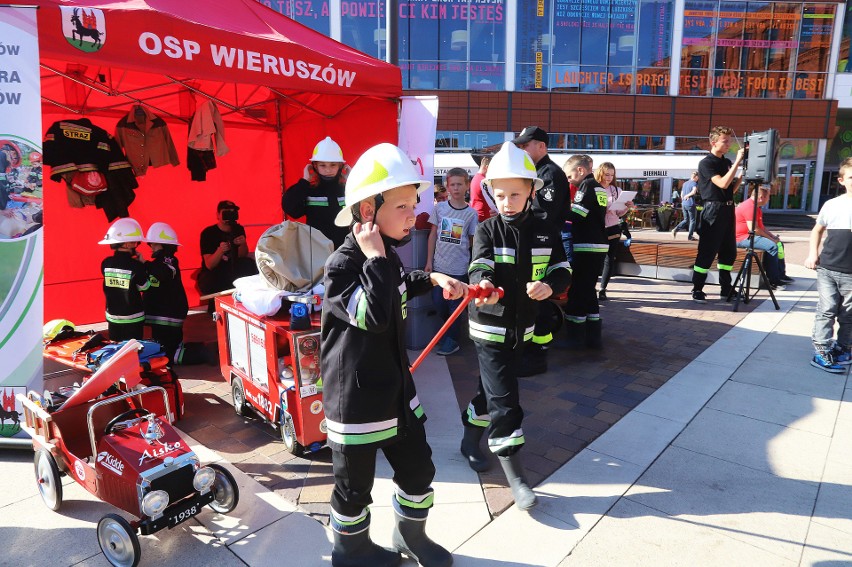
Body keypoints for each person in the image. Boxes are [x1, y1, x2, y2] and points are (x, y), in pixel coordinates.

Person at [322, 143, 465, 567]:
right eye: (401, 205)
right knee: (354, 488)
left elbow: (399, 282)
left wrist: (430, 276)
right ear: (367, 210)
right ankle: (350, 550)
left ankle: (409, 537)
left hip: (397, 393)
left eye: (414, 202)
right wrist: (377, 260)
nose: (413, 213)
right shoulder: (343, 265)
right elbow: (374, 316)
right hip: (357, 403)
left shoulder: (386, 256)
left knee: (419, 470)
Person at [462, 141, 571, 509]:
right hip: (489, 329)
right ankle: (516, 477)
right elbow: (479, 266)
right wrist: (486, 285)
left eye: (514, 194)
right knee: (506, 400)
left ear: (531, 191)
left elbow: (561, 268)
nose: (506, 201)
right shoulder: (487, 230)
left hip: (521, 329)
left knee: (489, 391)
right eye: (500, 194)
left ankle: (467, 441)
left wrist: (550, 286)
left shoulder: (546, 229)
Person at [512, 126, 571, 373]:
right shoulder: (537, 171)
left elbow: (542, 214)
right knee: (535, 294)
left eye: (526, 145)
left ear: (541, 146)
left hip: (544, 243)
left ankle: (538, 348)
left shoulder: (549, 173)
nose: (522, 149)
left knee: (541, 294)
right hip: (537, 242)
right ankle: (535, 346)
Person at [804, 157, 852, 373]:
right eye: (851, 177)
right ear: (842, 180)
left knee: (848, 313)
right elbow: (817, 230)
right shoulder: (832, 205)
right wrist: (812, 254)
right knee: (827, 309)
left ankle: (843, 347)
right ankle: (821, 350)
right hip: (828, 269)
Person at [425, 167, 478, 356]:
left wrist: (472, 267)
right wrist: (429, 261)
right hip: (439, 268)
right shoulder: (439, 208)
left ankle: (452, 339)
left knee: (454, 306)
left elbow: (472, 242)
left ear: (466, 186)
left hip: (459, 268)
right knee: (438, 302)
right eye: (452, 184)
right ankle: (452, 331)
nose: (455, 188)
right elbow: (432, 235)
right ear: (447, 186)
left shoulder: (471, 214)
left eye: (459, 184)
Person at [691, 126, 745, 303]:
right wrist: (737, 163)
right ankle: (697, 289)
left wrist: (742, 175)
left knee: (729, 252)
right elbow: (721, 183)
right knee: (707, 251)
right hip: (713, 210)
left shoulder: (726, 162)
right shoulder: (706, 163)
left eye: (729, 140)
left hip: (728, 209)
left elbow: (730, 188)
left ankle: (726, 288)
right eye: (725, 141)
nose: (729, 144)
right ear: (714, 142)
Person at [563, 154, 608, 348]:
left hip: (586, 245)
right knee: (589, 290)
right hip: (597, 244)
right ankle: (593, 337)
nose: (569, 180)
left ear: (580, 170)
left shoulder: (586, 186)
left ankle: (575, 338)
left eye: (569, 176)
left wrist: (558, 210)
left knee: (579, 290)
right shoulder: (600, 188)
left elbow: (578, 215)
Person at [282, 136, 349, 249]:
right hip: (316, 251)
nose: (328, 170)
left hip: (345, 250)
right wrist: (304, 181)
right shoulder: (309, 190)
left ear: (340, 166)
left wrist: (352, 181)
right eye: (322, 165)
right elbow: (291, 209)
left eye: (333, 165)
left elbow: (364, 213)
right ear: (315, 166)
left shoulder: (347, 190)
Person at [143, 222, 189, 364]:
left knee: (168, 353)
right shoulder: (158, 261)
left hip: (168, 316)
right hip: (161, 317)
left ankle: (201, 354)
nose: (150, 247)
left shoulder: (168, 260)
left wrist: (145, 264)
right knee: (162, 347)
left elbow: (163, 273)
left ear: (161, 244)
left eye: (152, 244)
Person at [98, 217, 150, 341]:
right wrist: (143, 266)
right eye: (135, 242)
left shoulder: (106, 263)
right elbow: (145, 287)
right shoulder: (136, 265)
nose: (136, 246)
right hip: (133, 318)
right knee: (133, 351)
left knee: (116, 350)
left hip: (113, 317)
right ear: (127, 244)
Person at [734, 183, 794, 290]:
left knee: (779, 244)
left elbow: (761, 227)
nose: (769, 200)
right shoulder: (750, 207)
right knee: (772, 246)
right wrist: (771, 240)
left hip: (747, 236)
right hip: (741, 238)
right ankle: (773, 281)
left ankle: (780, 274)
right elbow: (754, 229)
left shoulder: (756, 208)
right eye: (768, 197)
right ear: (761, 197)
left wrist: (773, 237)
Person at [197, 200, 258, 298]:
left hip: (234, 270)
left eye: (232, 212)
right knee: (210, 280)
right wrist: (220, 251)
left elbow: (242, 255)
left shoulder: (238, 229)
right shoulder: (208, 233)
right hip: (216, 273)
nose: (230, 214)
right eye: (226, 212)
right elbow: (209, 265)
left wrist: (243, 244)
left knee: (250, 265)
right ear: (218, 215)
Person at [596, 162, 632, 301]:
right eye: (607, 174)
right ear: (600, 173)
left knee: (609, 259)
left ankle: (603, 289)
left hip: (613, 227)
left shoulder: (616, 190)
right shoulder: (595, 188)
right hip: (598, 228)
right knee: (596, 259)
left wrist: (627, 207)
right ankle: (590, 286)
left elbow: (619, 213)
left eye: (612, 174)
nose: (609, 177)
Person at [672, 171, 699, 240]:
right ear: (696, 177)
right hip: (690, 204)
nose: (698, 179)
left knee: (686, 220)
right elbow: (694, 191)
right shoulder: (694, 183)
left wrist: (683, 199)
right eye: (698, 177)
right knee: (692, 220)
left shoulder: (685, 183)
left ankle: (675, 229)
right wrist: (688, 195)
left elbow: (681, 194)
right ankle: (690, 236)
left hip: (684, 204)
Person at [469, 156, 496, 222]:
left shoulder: (475, 178)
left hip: (478, 214)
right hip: (484, 217)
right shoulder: (483, 181)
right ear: (487, 167)